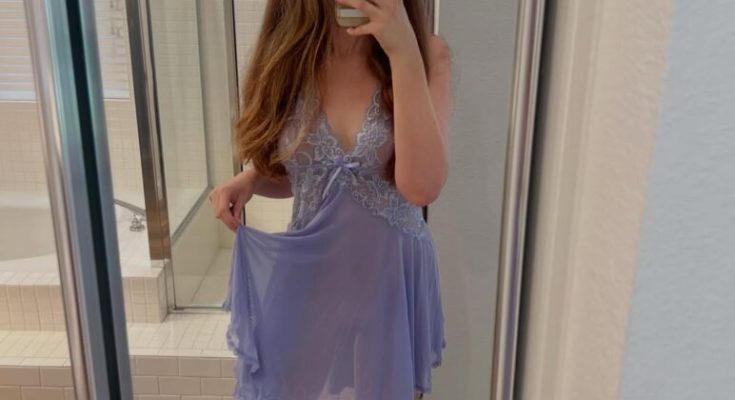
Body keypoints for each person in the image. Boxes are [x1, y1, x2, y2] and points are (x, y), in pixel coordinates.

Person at [208, 0, 452, 398]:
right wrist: (251, 178)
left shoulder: (428, 54)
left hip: (390, 282)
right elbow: (306, 172)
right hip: (311, 276)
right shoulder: (292, 50)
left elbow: (421, 187)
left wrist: (403, 49)